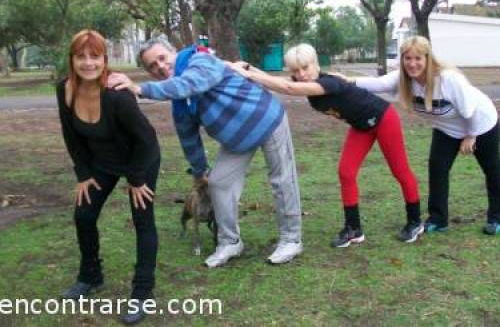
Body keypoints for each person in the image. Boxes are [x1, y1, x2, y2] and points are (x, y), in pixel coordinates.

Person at [108, 38, 303, 268]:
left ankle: (291, 239)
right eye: (152, 66)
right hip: (236, 140)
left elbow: (190, 84)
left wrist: (140, 89)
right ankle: (230, 242)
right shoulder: (179, 104)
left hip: (267, 119)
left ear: (174, 52)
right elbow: (189, 139)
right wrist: (199, 172)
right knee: (218, 183)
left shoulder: (200, 60)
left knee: (282, 181)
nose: (159, 66)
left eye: (162, 58)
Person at [230, 43, 423, 247]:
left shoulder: (329, 83)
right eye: (296, 70)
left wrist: (248, 75)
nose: (302, 74)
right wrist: (248, 68)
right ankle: (353, 229)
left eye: (306, 68)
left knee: (400, 171)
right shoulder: (304, 81)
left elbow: (287, 87)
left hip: (384, 119)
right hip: (361, 126)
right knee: (346, 172)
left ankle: (415, 221)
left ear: (315, 64)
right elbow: (281, 81)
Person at [56, 30, 161, 325]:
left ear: (105, 59)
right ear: (72, 59)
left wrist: (137, 179)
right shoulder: (64, 88)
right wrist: (83, 173)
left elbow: (146, 138)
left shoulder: (117, 96)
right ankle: (90, 276)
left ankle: (142, 293)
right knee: (84, 215)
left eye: (95, 56)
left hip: (139, 160)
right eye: (81, 56)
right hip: (101, 163)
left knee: (143, 221)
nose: (88, 63)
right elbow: (70, 135)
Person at [355, 35, 500, 235]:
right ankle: (438, 219)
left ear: (427, 59)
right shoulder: (404, 79)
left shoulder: (448, 79)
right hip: (447, 129)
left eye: (418, 58)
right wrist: (341, 82)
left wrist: (471, 135)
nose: (412, 64)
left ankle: (496, 217)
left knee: (492, 170)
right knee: (437, 168)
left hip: (480, 123)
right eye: (407, 58)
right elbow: (377, 84)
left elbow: (470, 109)